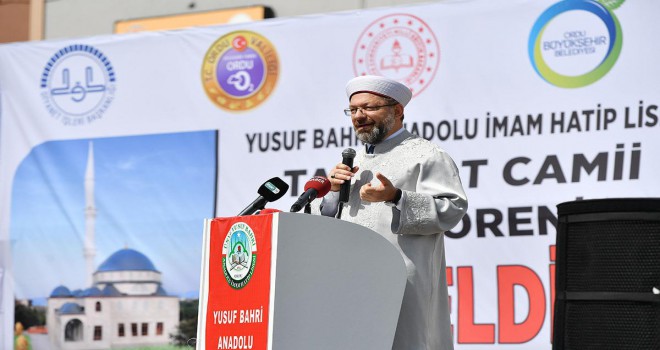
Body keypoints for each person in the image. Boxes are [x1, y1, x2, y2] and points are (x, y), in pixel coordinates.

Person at [317, 75, 468, 350]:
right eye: (353, 110)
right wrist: (333, 192)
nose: (359, 116)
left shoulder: (427, 155)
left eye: (369, 108)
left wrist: (396, 197)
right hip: (350, 278)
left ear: (397, 110)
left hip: (401, 281)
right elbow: (329, 218)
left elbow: (452, 209)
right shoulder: (354, 162)